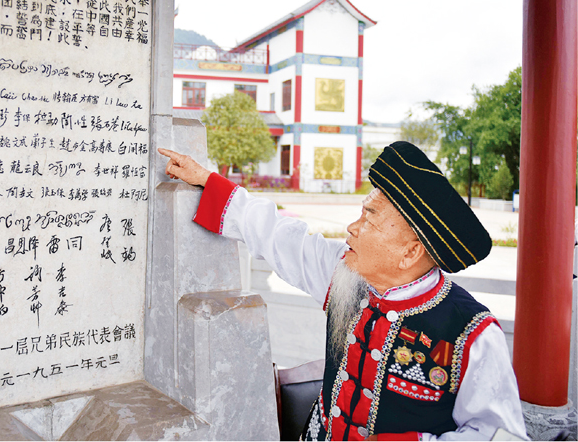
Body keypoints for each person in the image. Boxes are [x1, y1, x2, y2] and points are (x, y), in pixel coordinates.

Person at [158, 142, 527, 441]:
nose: (352, 227)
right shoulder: (346, 276)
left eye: (370, 218)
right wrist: (208, 180)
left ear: (411, 252)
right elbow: (277, 235)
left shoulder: (471, 333)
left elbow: (500, 434)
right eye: (360, 212)